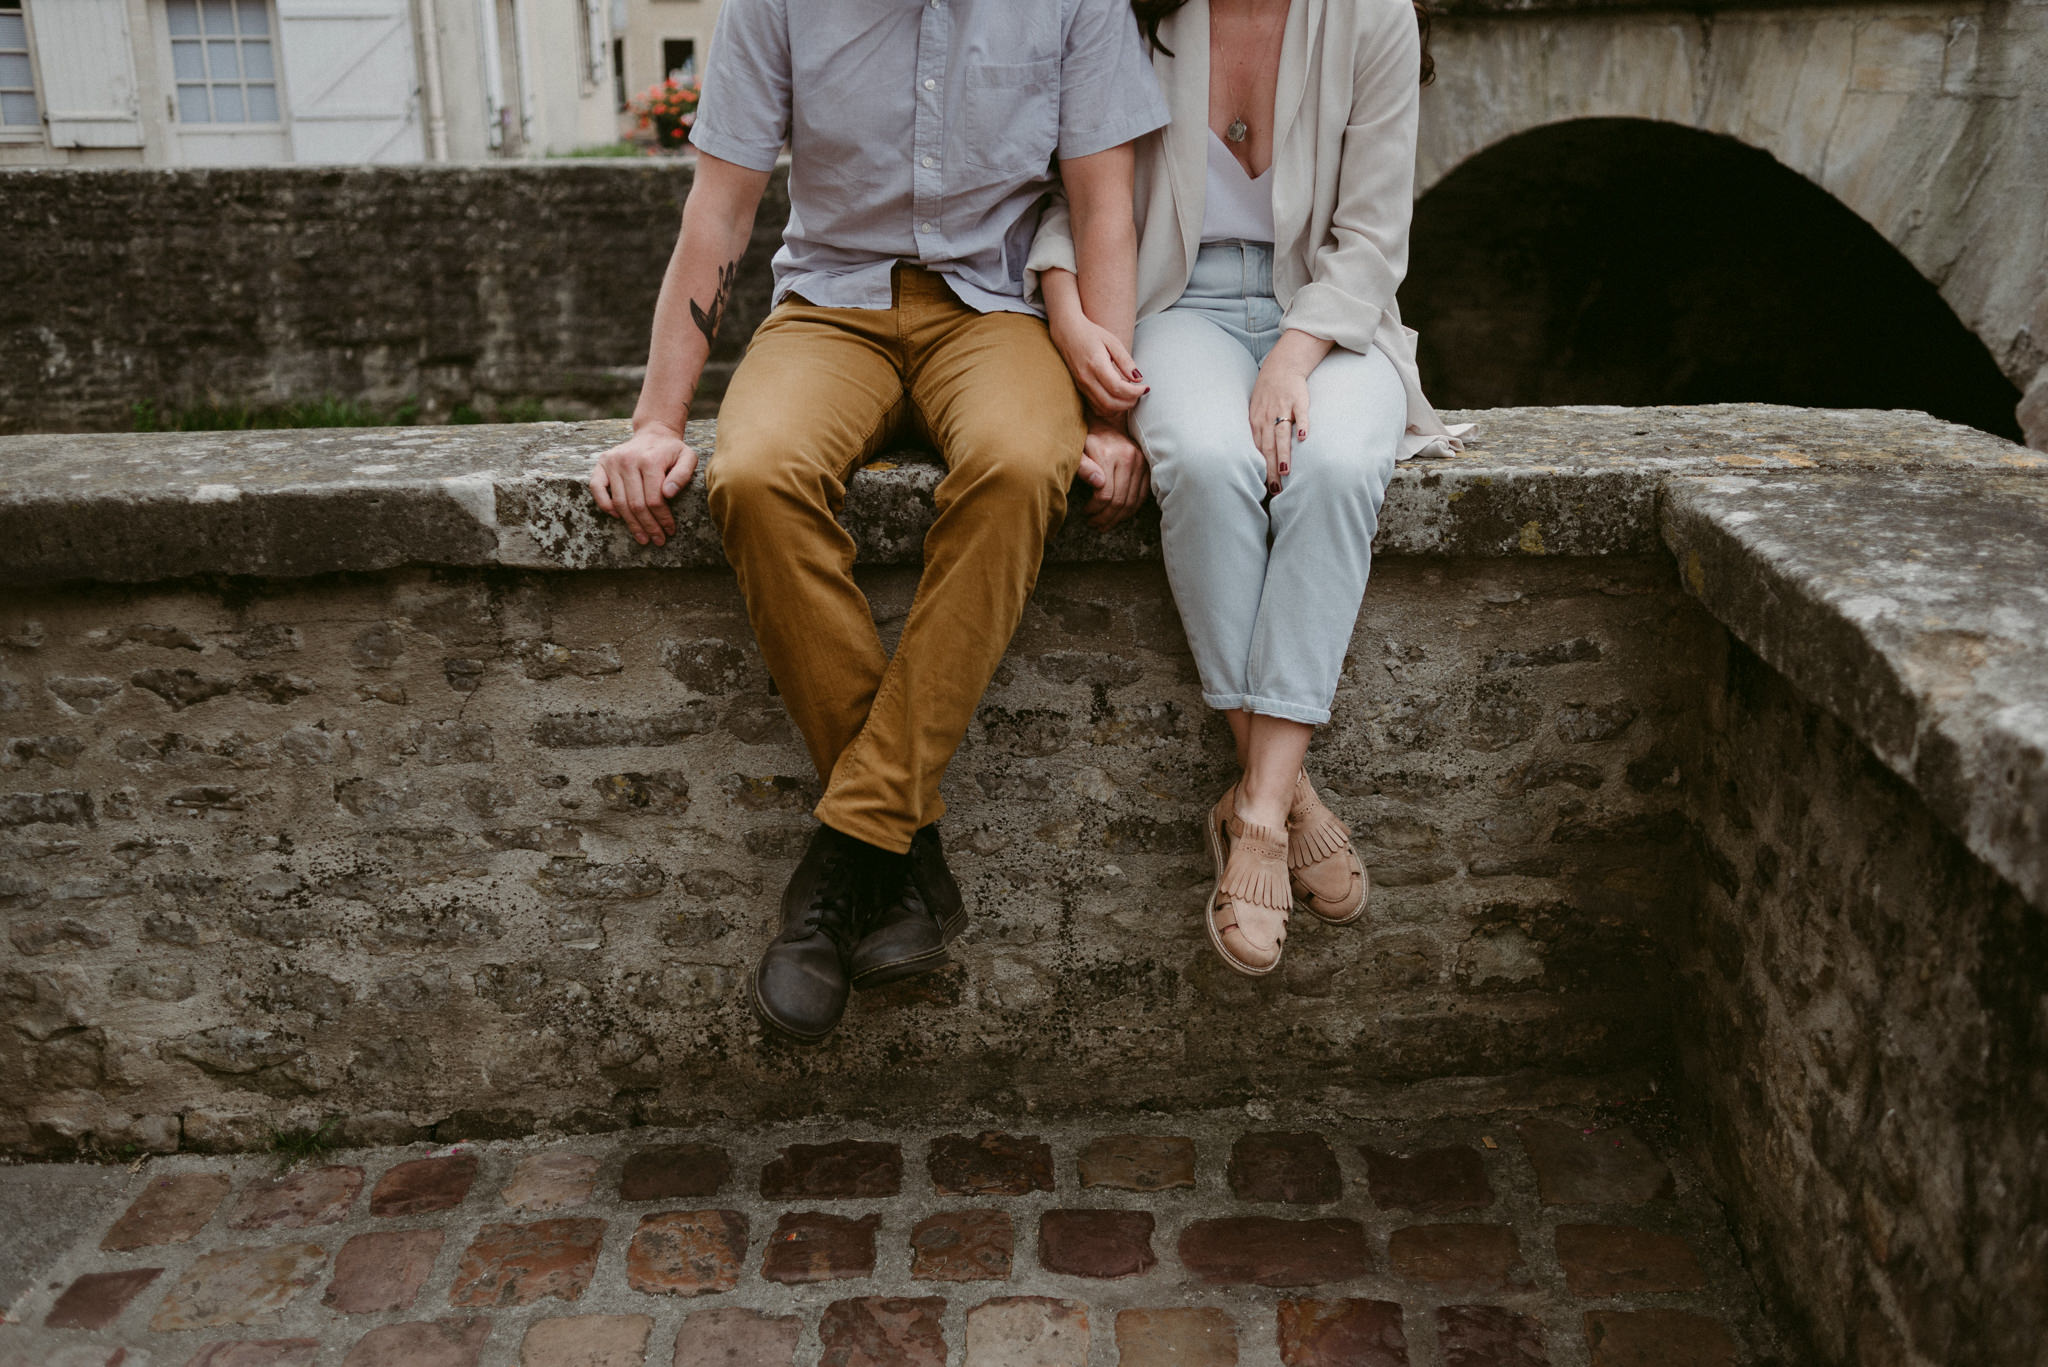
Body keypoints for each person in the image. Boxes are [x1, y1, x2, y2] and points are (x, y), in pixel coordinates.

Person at [588, 2, 1168, 1042]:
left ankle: (849, 851)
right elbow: (718, 213)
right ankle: (900, 849)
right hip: (828, 305)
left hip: (996, 313)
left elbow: (1103, 208)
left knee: (1017, 465)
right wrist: (655, 421)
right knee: (755, 475)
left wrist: (1106, 415)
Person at [1029, 0, 1465, 976]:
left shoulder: (1373, 17)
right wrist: (1064, 308)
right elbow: (1069, 198)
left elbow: (1372, 232)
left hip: (1329, 313)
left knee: (1339, 465)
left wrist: (1293, 357)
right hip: (1174, 301)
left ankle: (1256, 815)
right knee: (1208, 461)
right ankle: (1293, 793)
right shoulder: (1133, 17)